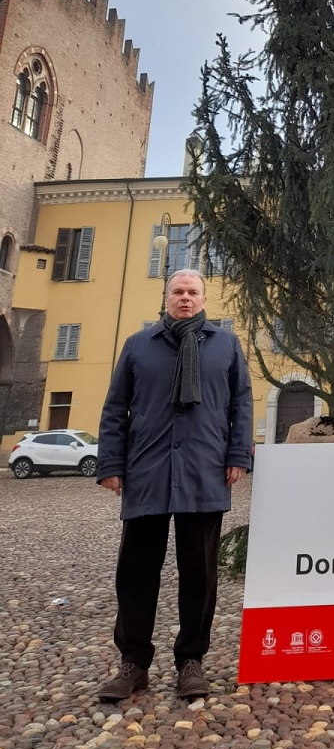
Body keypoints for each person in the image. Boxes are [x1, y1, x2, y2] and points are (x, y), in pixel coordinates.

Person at [96, 269, 253, 701]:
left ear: (204, 298)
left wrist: (239, 455)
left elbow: (241, 402)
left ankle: (191, 662)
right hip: (147, 470)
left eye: (193, 292)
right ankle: (133, 664)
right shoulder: (138, 346)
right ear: (166, 297)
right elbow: (115, 408)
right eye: (178, 292)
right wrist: (111, 463)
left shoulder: (225, 345)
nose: (185, 298)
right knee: (135, 572)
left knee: (199, 573)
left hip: (203, 468)